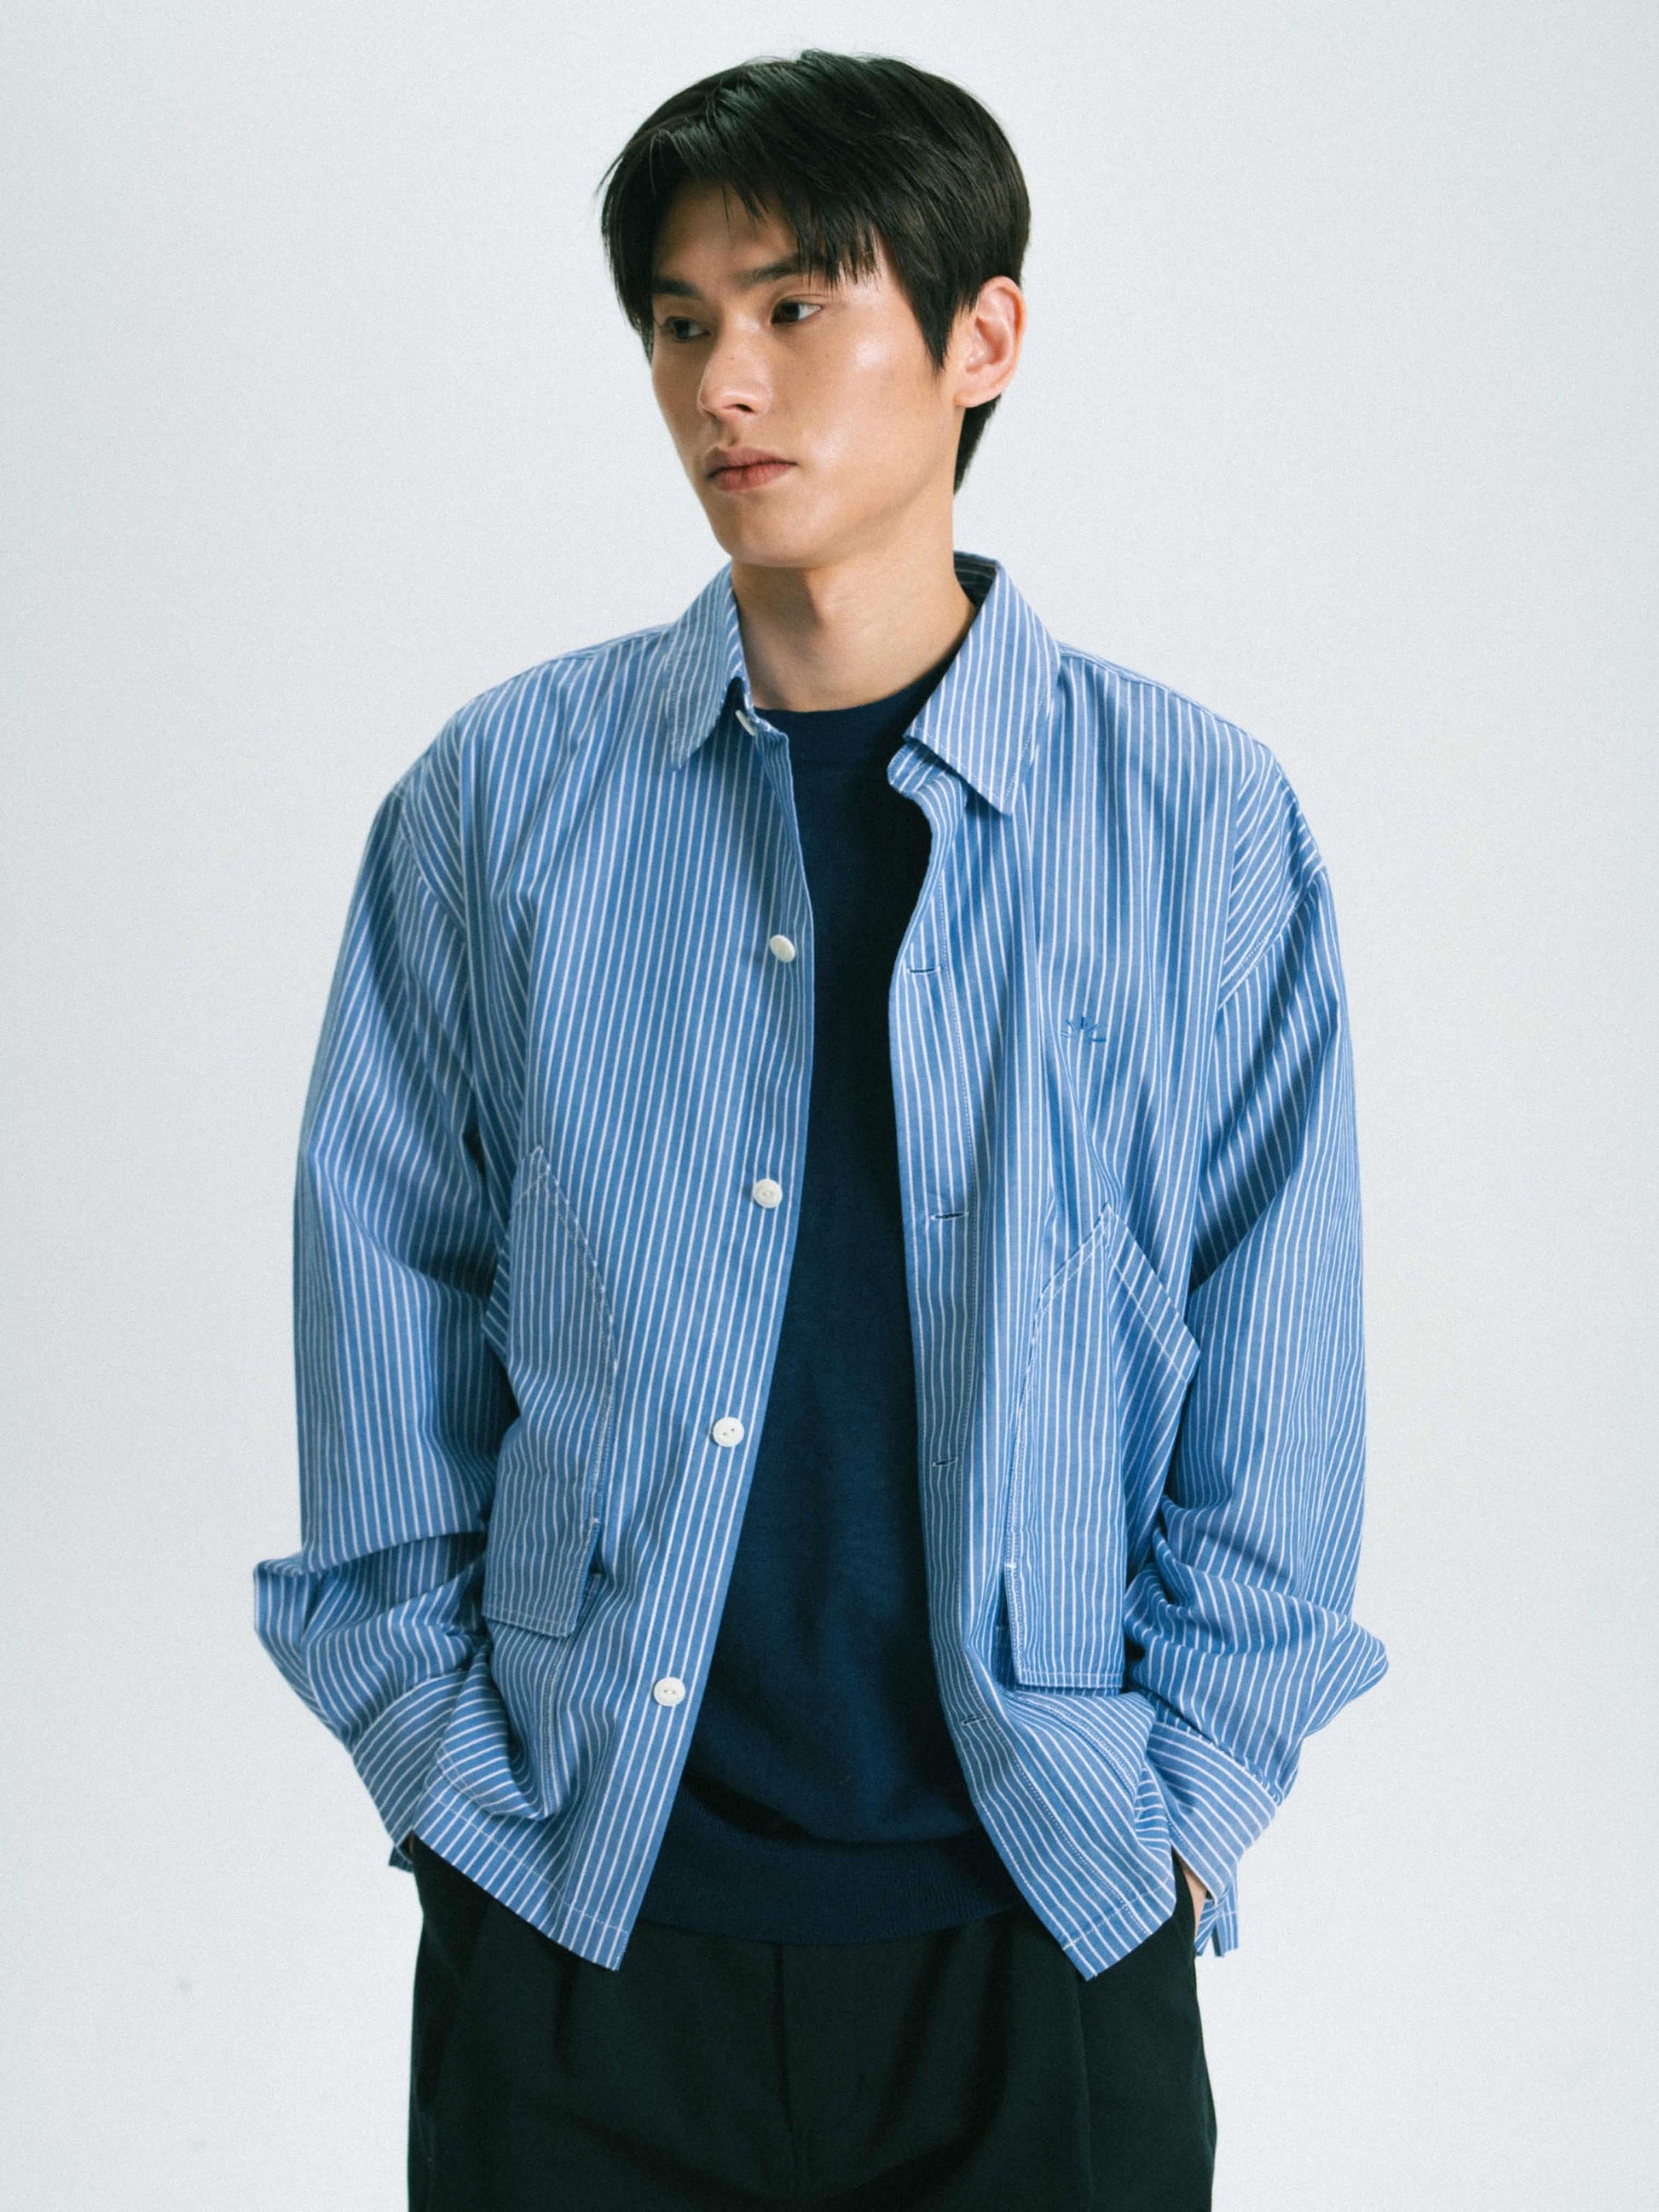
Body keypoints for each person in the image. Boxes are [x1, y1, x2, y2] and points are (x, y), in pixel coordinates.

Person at [255, 47, 1386, 2212]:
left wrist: (1179, 1803)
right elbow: (382, 1281)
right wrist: (444, 1778)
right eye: (679, 321)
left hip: (1041, 1928)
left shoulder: (1197, 823)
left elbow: (1279, 1356)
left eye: (793, 306)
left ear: (983, 336)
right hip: (584, 1919)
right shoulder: (502, 801)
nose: (722, 385)